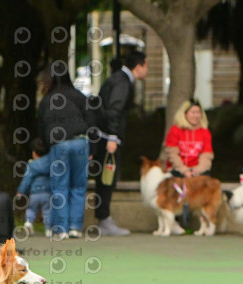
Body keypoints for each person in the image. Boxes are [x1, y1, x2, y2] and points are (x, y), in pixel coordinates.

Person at [37, 61, 95, 239]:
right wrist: (92, 148)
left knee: (59, 187)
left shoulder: (46, 101)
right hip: (80, 142)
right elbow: (91, 121)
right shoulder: (79, 96)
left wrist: (45, 146)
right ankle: (75, 227)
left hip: (59, 145)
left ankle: (61, 229)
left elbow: (41, 126)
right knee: (78, 186)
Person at [94, 50, 149, 236]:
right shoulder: (122, 82)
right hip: (107, 138)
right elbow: (113, 110)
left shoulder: (119, 79)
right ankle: (104, 219)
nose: (147, 70)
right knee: (107, 179)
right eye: (146, 65)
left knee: (105, 178)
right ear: (139, 66)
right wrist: (112, 136)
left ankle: (104, 218)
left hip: (104, 135)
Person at [164, 98, 214, 177]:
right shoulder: (175, 130)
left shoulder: (205, 132)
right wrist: (184, 170)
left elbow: (206, 155)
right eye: (193, 112)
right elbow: (172, 154)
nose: (196, 116)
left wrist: (198, 170)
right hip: (178, 169)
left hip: (198, 171)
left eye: (198, 112)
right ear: (185, 114)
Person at [16, 138, 51, 237]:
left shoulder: (31, 165)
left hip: (34, 193)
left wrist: (21, 191)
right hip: (47, 192)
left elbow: (27, 179)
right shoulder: (50, 164)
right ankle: (48, 229)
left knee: (31, 209)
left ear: (34, 153)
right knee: (47, 210)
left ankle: (28, 222)